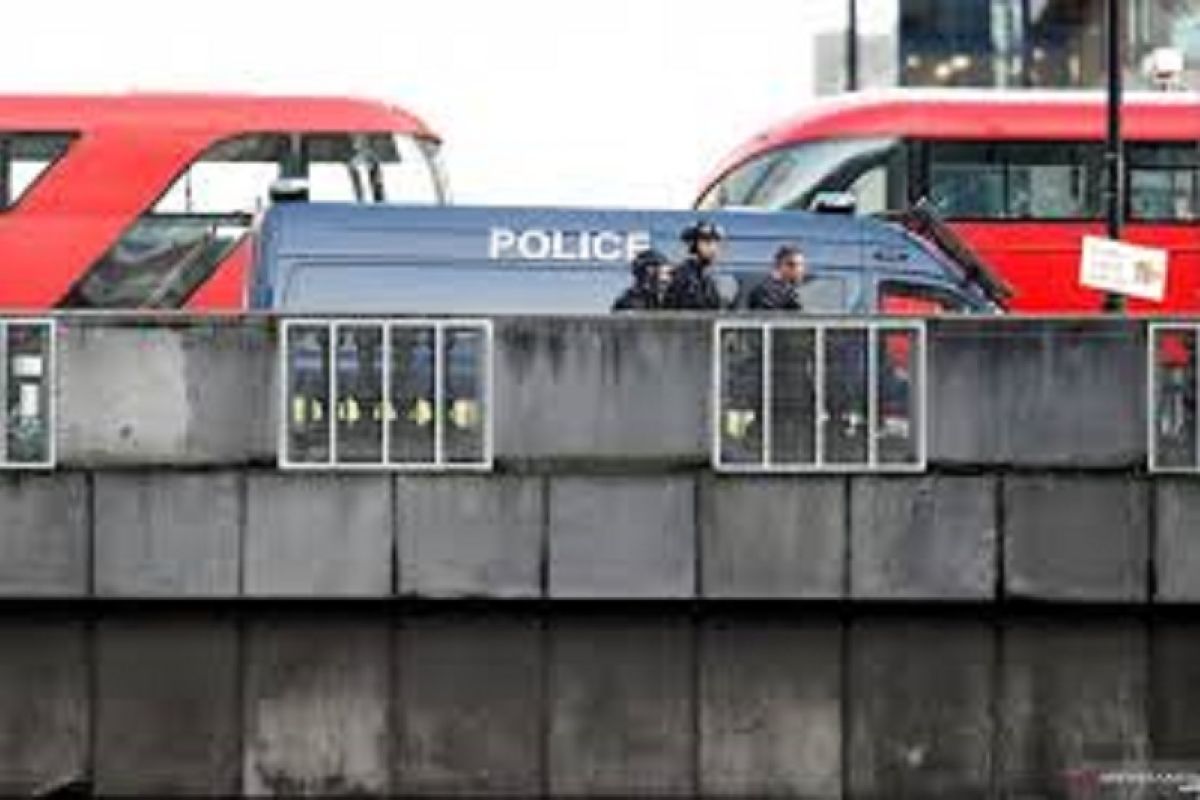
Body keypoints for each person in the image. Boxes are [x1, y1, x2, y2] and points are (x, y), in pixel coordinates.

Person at [664, 220, 725, 310]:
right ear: (693, 245)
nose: (713, 248)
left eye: (715, 243)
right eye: (707, 242)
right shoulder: (683, 277)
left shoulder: (705, 277)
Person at [747, 244, 807, 311]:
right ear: (778, 266)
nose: (798, 269)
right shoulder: (765, 293)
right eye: (791, 264)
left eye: (801, 265)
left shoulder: (801, 289)